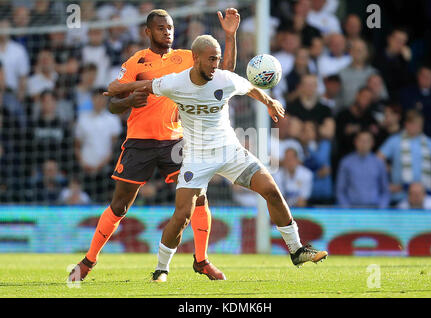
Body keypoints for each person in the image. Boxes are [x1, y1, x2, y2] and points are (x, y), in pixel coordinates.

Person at [126, 34, 327, 282]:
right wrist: (119, 88)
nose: (215, 64)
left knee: (271, 190)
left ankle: (297, 250)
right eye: (211, 59)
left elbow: (251, 87)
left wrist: (269, 101)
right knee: (181, 216)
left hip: (230, 152)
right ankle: (161, 269)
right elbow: (147, 85)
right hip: (197, 158)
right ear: (196, 58)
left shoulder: (225, 79)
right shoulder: (176, 83)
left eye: (218, 59)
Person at [68, 8, 241, 282]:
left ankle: (202, 260)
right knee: (120, 206)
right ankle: (89, 261)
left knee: (199, 198)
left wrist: (230, 36)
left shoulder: (187, 58)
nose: (167, 32)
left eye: (170, 27)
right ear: (148, 32)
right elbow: (112, 102)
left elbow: (226, 73)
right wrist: (127, 102)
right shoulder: (136, 62)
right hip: (140, 142)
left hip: (176, 141)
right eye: (161, 28)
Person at [378, 110, 431, 204]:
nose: (415, 127)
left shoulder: (429, 142)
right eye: (412, 123)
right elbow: (377, 160)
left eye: (418, 124)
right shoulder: (394, 141)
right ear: (406, 124)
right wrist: (388, 174)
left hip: (425, 196)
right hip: (401, 196)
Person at [336, 131, 390, 208]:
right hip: (352, 210)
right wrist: (346, 209)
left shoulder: (379, 163)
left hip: (374, 209)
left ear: (372, 143)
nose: (364, 144)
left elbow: (385, 191)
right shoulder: (346, 162)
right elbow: (340, 190)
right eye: (361, 140)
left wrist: (381, 208)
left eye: (367, 141)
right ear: (355, 142)